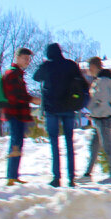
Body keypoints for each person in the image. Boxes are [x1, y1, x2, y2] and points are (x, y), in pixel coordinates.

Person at [33, 43, 89, 188]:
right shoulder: (70, 65)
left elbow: (35, 77)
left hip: (52, 110)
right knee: (69, 143)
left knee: (54, 144)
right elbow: (83, 84)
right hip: (69, 108)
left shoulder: (47, 66)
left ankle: (56, 177)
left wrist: (44, 67)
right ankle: (71, 178)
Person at [0, 47, 38, 187]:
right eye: (25, 58)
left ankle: (14, 175)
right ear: (17, 57)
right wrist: (32, 99)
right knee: (16, 142)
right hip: (14, 112)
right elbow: (15, 95)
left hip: (18, 113)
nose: (28, 61)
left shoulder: (18, 74)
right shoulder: (12, 74)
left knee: (18, 142)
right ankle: (11, 177)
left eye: (29, 59)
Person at [81, 57, 111, 184]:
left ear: (93, 66)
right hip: (100, 118)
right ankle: (88, 174)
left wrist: (93, 113)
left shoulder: (103, 81)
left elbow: (102, 102)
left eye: (88, 67)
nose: (88, 70)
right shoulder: (101, 80)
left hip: (103, 118)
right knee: (94, 146)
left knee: (107, 145)